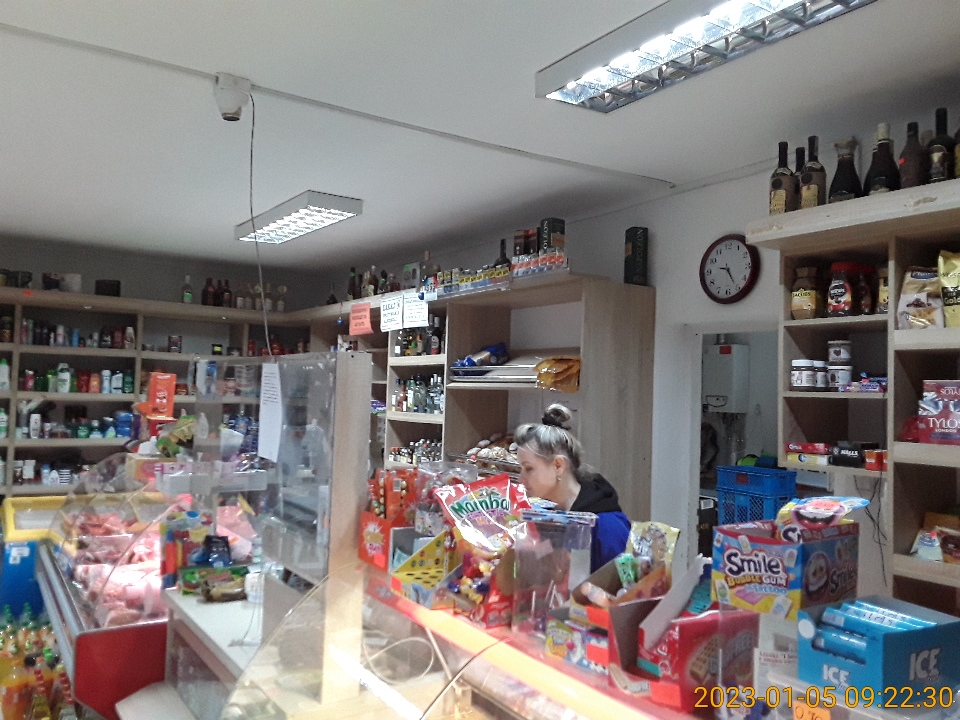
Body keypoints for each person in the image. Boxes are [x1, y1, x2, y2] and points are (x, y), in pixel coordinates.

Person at [515, 404, 631, 572]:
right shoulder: (542, 518)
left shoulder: (608, 527)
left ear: (558, 465)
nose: (521, 479)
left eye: (529, 468)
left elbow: (625, 584)